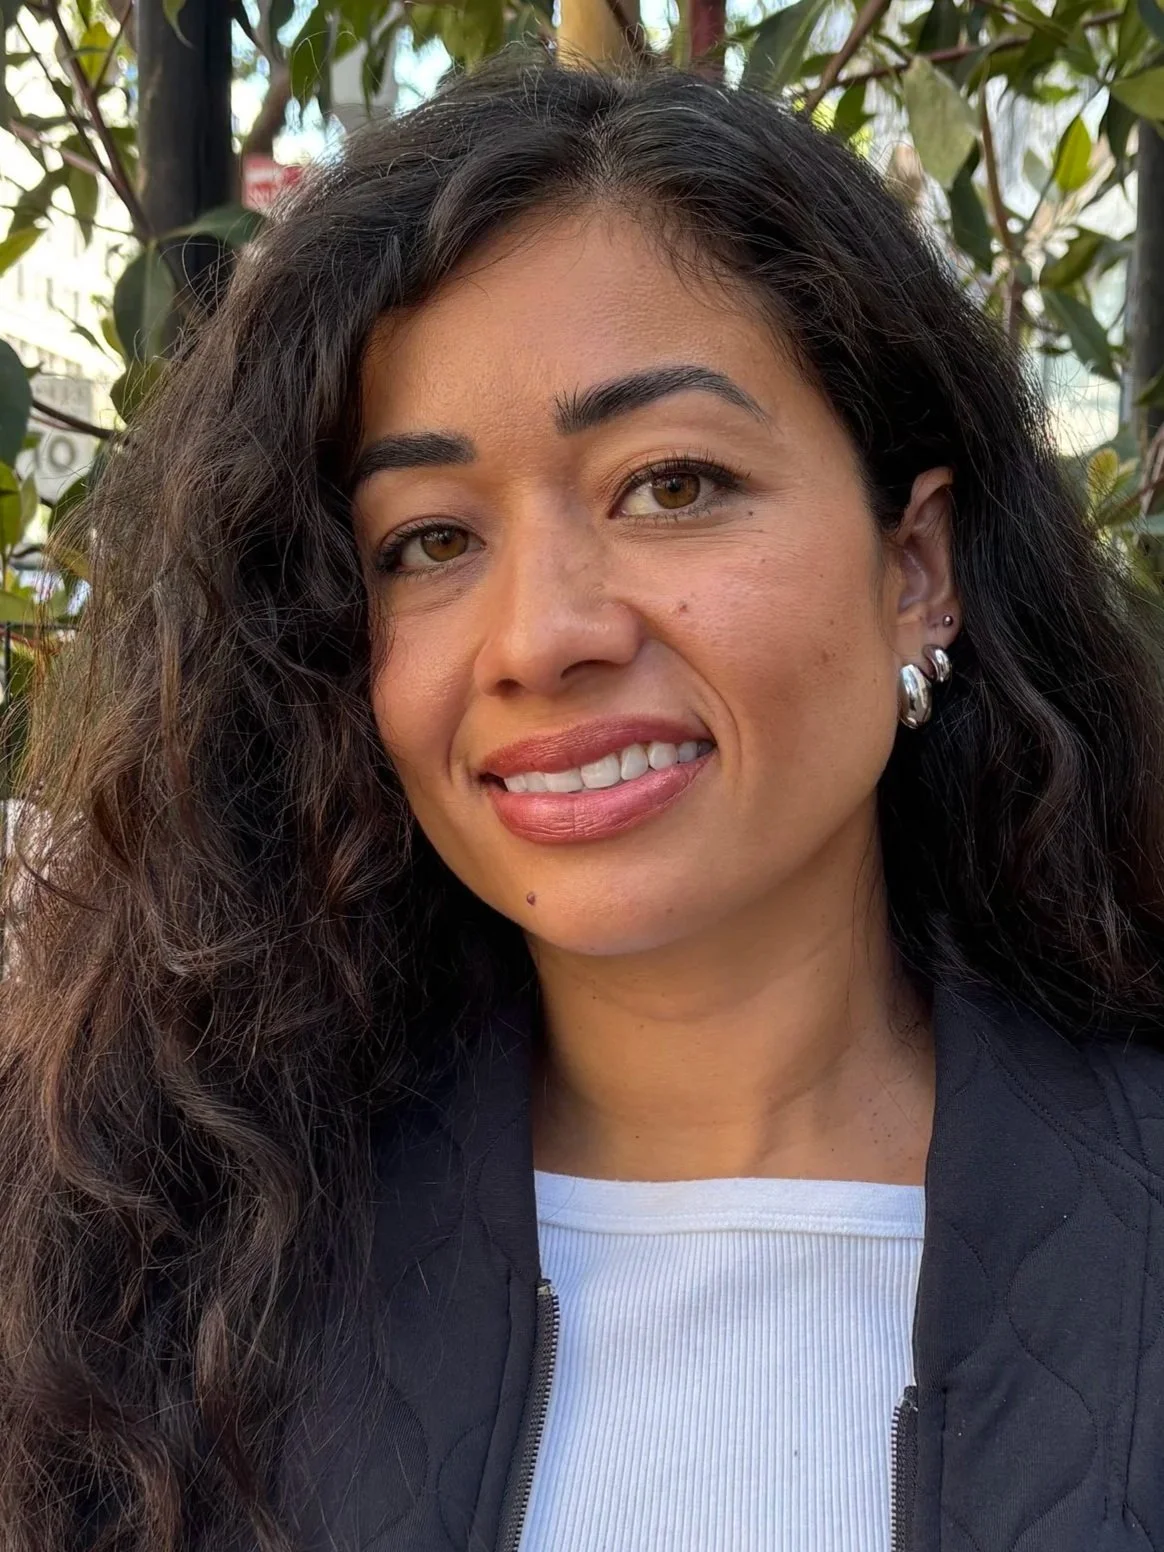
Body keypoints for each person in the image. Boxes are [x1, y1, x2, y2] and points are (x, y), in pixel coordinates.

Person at [2, 47, 1164, 1552]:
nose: (545, 634)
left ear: (915, 568)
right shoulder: (143, 1259)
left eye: (670, 484)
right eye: (424, 541)